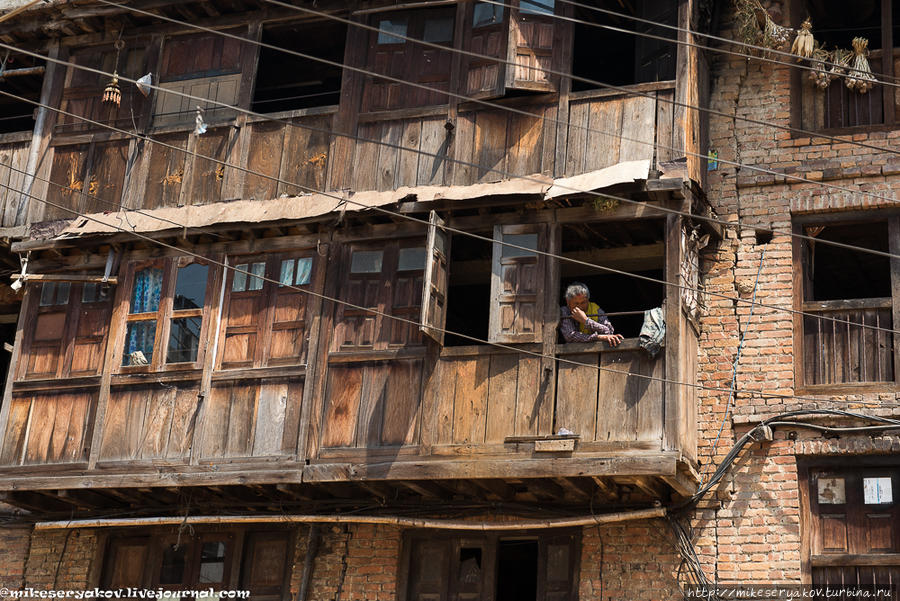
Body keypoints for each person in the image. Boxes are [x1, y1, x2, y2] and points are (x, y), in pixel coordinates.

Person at [559, 282, 624, 345]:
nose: (580, 307)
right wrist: (598, 337)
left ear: (588, 300)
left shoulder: (596, 309)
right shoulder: (565, 311)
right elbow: (570, 337)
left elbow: (608, 331)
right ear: (568, 302)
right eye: (576, 303)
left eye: (583, 302)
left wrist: (585, 320)